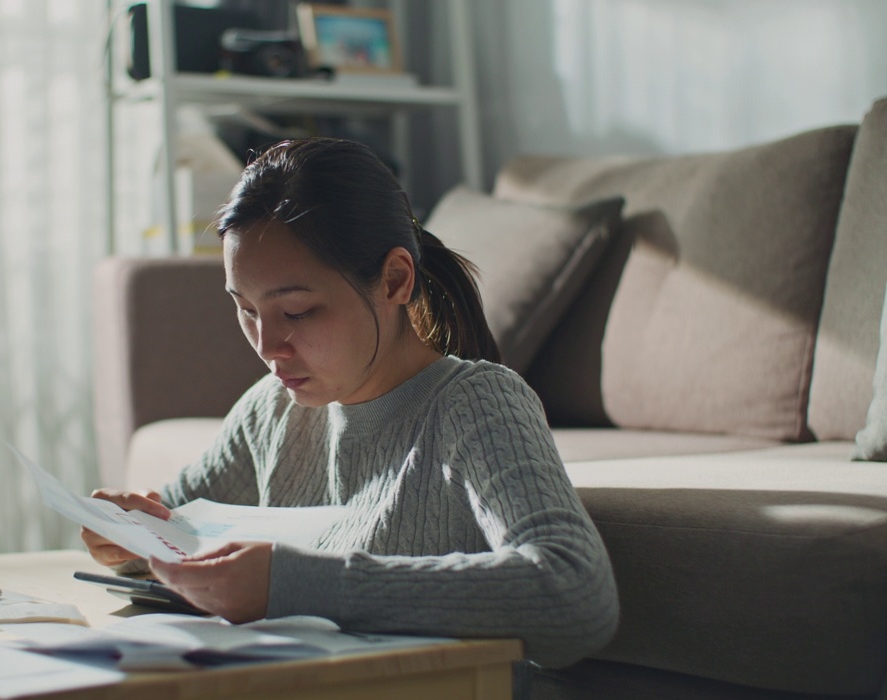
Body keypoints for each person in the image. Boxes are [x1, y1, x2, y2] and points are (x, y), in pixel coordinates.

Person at [83, 136, 618, 670]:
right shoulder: (271, 410)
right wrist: (133, 536)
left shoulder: (475, 404)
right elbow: (177, 529)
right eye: (246, 309)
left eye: (297, 311)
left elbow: (575, 594)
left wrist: (296, 584)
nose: (268, 346)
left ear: (395, 280)